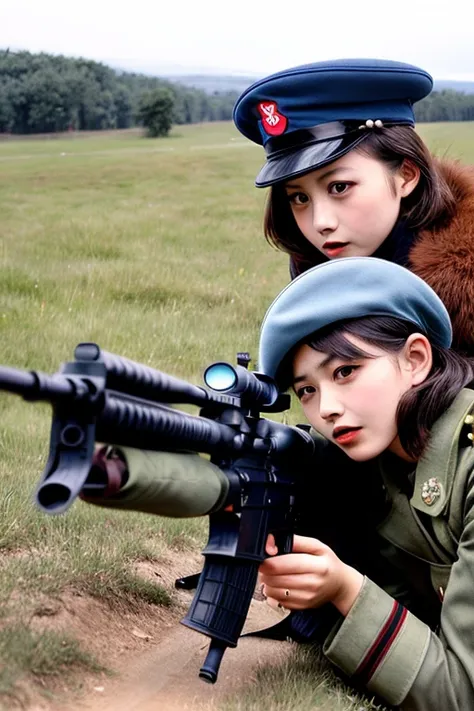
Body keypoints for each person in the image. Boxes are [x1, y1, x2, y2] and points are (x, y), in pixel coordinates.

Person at [86, 256, 474, 709]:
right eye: (306, 389)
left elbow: (460, 694)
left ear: (415, 359)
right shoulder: (384, 457)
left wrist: (346, 590)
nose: (326, 407)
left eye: (346, 371)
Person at [233, 58, 474, 354]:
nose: (321, 222)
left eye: (339, 187)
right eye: (299, 198)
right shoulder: (316, 281)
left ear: (406, 175)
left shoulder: (463, 289)